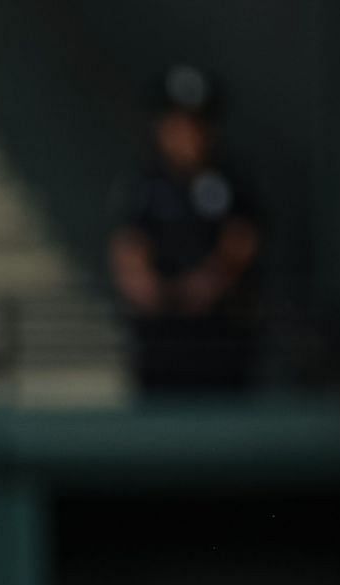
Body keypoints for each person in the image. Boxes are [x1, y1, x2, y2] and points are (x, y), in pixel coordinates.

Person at [109, 66, 261, 395]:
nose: (188, 134)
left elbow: (240, 242)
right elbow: (129, 251)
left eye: (197, 123)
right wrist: (160, 293)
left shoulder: (230, 183)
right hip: (160, 343)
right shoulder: (145, 186)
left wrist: (205, 285)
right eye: (177, 123)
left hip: (220, 341)